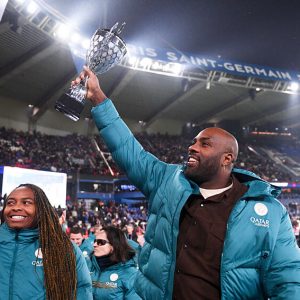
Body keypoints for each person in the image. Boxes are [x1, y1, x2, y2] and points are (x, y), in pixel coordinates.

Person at [73, 66, 300, 299]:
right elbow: (128, 151)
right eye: (194, 142)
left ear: (227, 158)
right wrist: (99, 99)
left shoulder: (269, 211)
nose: (192, 147)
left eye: (205, 144)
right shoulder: (168, 180)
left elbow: (288, 277)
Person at [0, 183, 93, 300]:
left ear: (41, 209)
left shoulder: (64, 247)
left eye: (26, 202)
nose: (16, 207)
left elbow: (82, 290)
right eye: (10, 203)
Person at [87, 225, 141, 299]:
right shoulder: (88, 266)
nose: (94, 245)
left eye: (100, 242)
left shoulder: (130, 274)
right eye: (95, 241)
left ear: (114, 245)